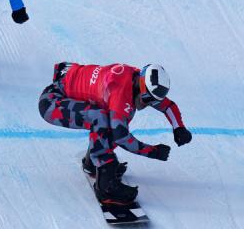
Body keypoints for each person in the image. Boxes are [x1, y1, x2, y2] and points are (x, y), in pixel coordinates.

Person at [38, 62, 193, 205]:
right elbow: (122, 137)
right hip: (52, 103)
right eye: (149, 100)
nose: (150, 105)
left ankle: (93, 164)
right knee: (103, 119)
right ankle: (106, 187)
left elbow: (167, 105)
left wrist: (179, 127)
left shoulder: (138, 78)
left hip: (63, 90)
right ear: (144, 89)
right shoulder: (120, 93)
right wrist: (153, 151)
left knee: (110, 117)